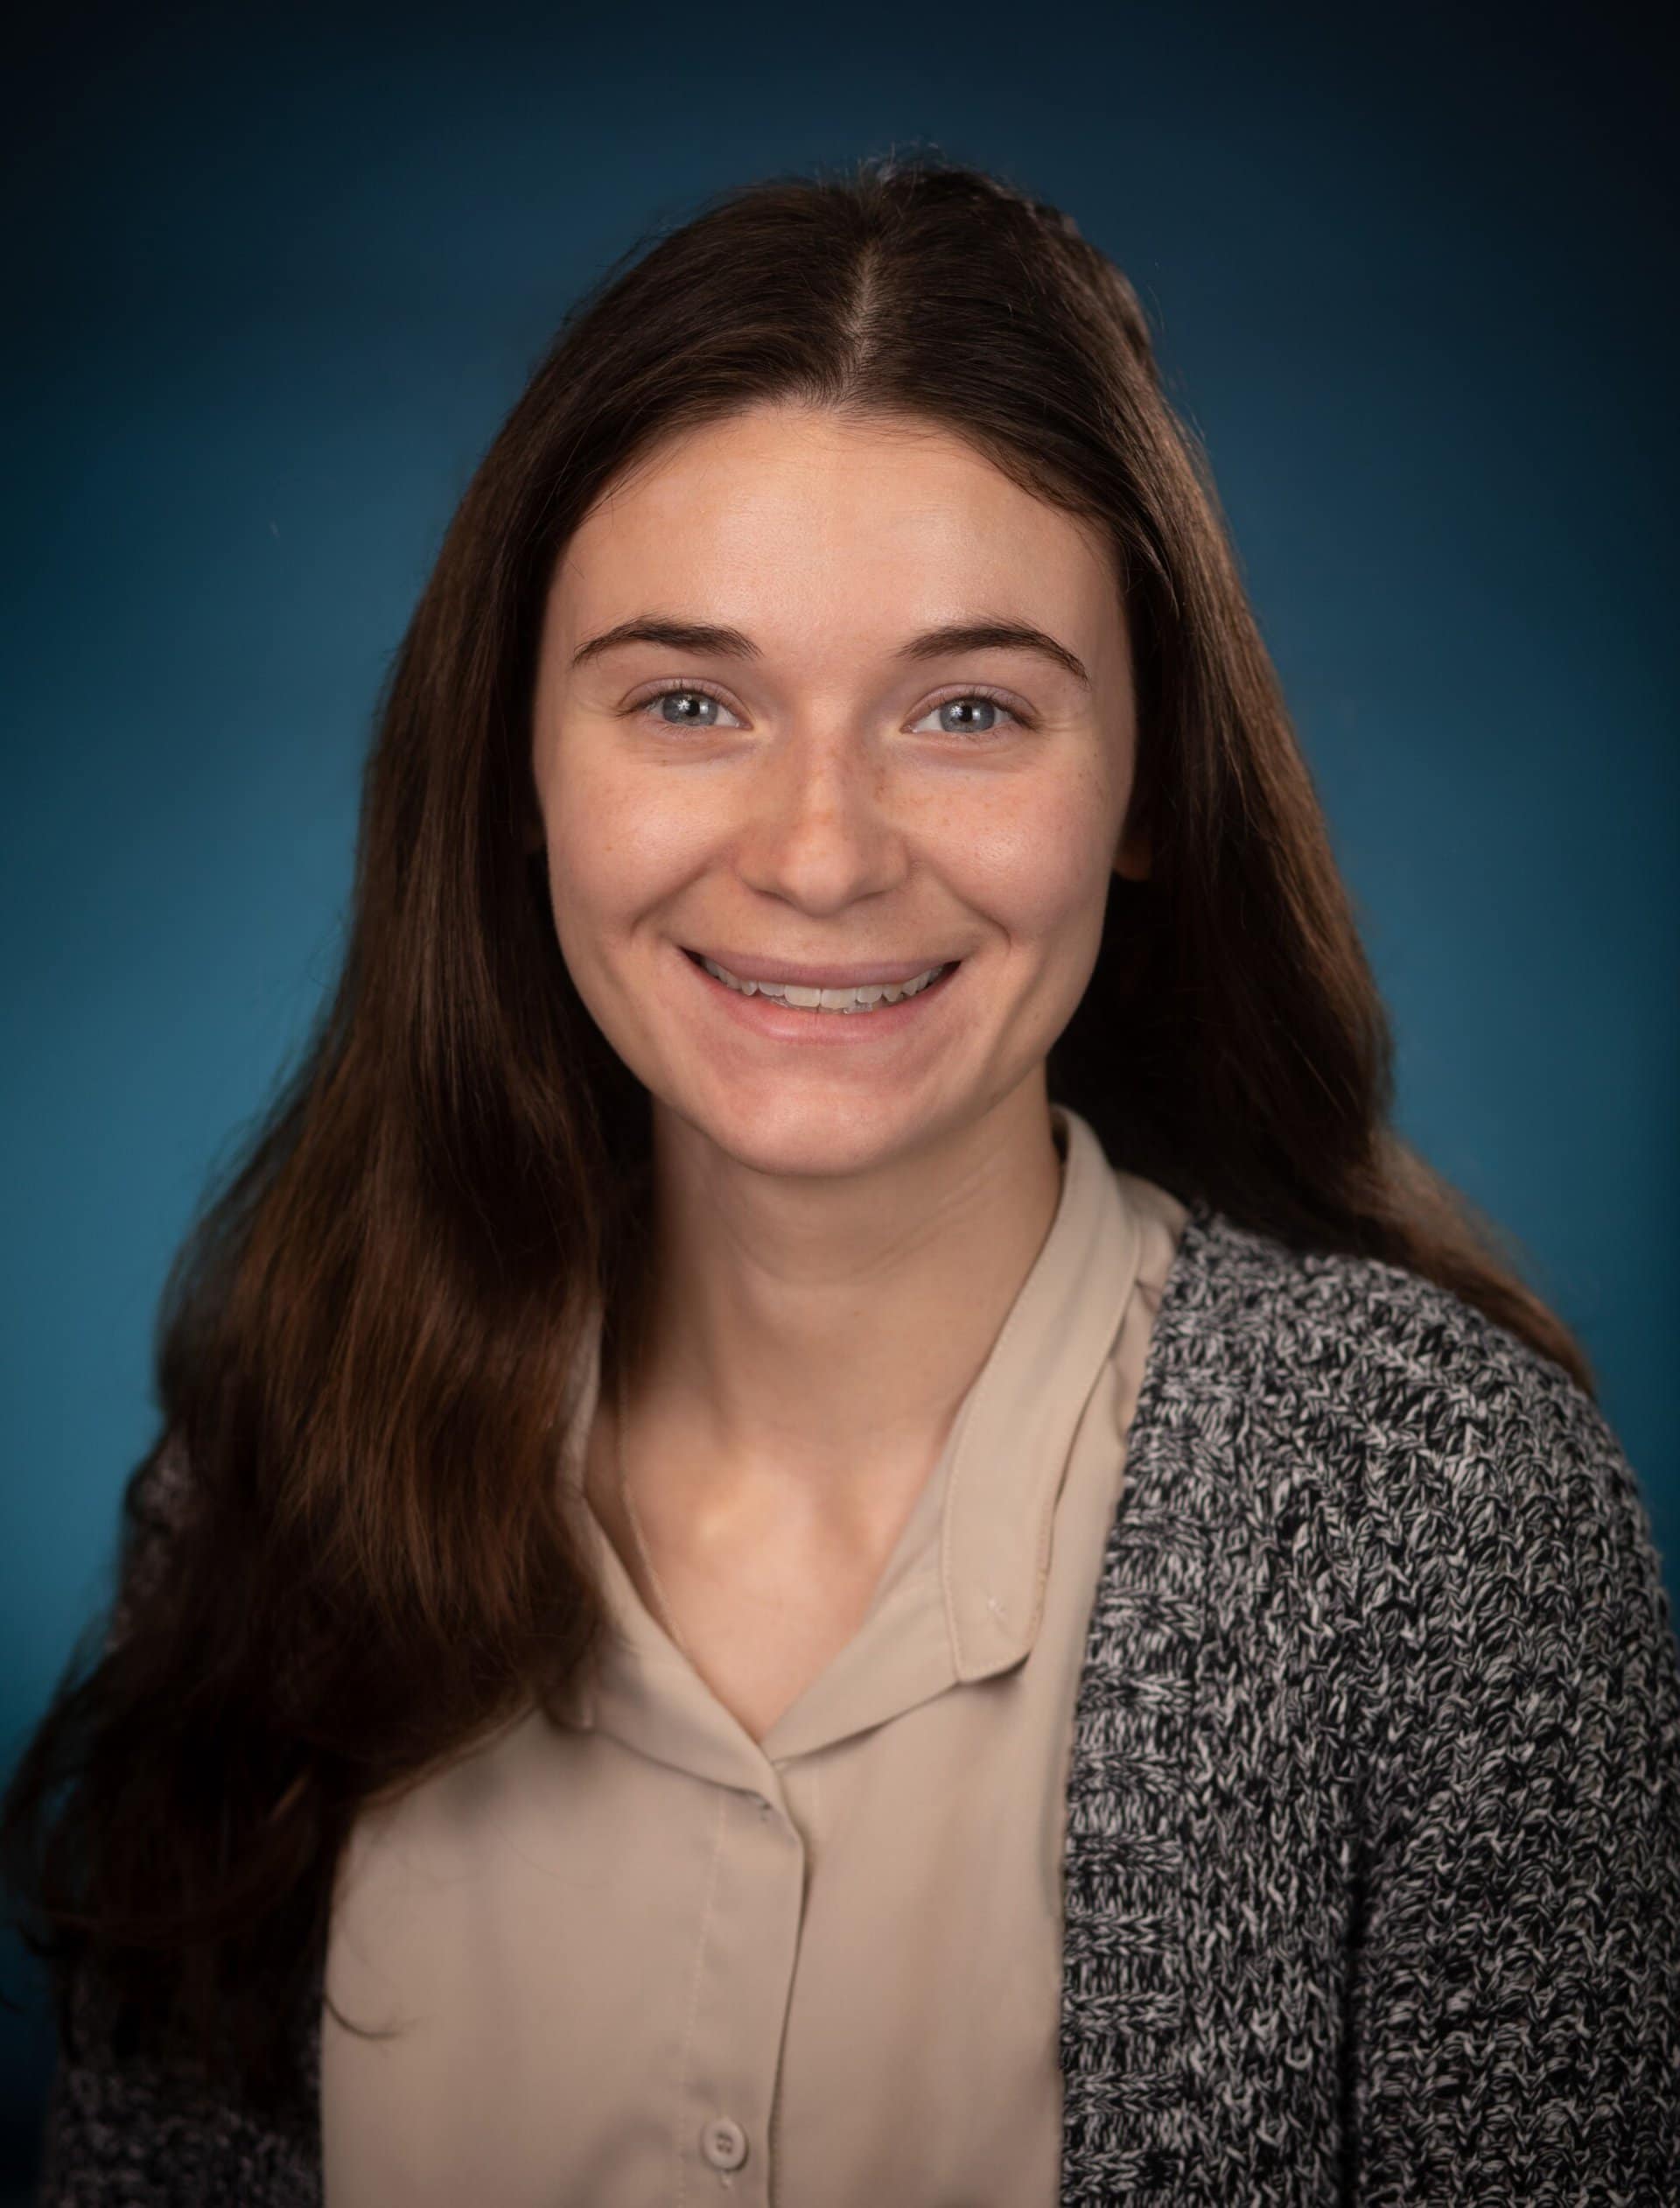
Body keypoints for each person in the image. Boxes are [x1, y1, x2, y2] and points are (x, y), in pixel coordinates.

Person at [7, 154, 1679, 2205]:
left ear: (1144, 785)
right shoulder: (270, 1482)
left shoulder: (1442, 1524)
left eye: (968, 707)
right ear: (518, 769)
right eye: (690, 701)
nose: (819, 852)